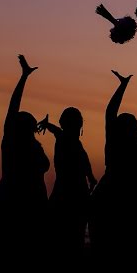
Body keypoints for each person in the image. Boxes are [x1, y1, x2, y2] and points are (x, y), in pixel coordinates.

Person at [0, 55, 49, 255]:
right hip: (11, 203)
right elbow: (12, 107)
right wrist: (24, 77)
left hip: (33, 207)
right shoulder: (12, 141)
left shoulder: (35, 145)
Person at [90, 70, 137, 254]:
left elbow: (109, 113)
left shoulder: (114, 143)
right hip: (134, 202)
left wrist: (122, 86)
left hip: (109, 198)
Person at [37, 107, 96, 255]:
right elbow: (84, 164)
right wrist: (91, 178)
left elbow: (57, 130)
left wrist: (48, 125)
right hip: (72, 195)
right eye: (78, 123)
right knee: (73, 239)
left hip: (67, 194)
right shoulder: (69, 141)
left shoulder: (68, 140)